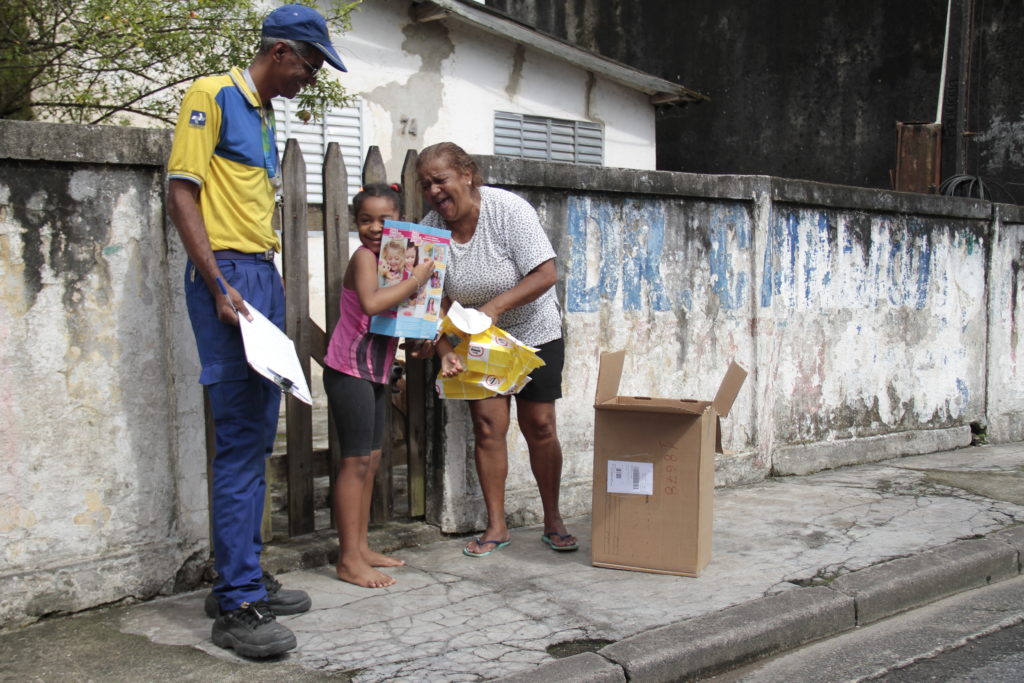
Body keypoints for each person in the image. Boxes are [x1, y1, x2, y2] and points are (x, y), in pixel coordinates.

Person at [166, 4, 346, 658]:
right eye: (312, 63)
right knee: (241, 439)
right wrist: (218, 284)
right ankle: (238, 604)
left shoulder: (264, 114)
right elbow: (181, 192)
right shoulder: (211, 95)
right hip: (231, 278)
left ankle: (239, 577)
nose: (313, 77)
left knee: (255, 433)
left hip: (259, 276)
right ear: (281, 52)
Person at [415, 142, 578, 558]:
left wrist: (490, 310)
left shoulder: (508, 211)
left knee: (540, 426)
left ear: (467, 174)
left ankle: (553, 519)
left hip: (533, 331)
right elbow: (432, 296)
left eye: (440, 180)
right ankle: (496, 525)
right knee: (488, 428)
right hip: (477, 341)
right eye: (425, 184)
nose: (433, 191)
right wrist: (448, 340)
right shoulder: (429, 230)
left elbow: (545, 273)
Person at [323, 184, 434, 587]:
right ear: (355, 224)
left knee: (369, 462)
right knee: (354, 463)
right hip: (349, 370)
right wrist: (419, 277)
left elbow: (401, 314)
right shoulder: (364, 259)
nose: (373, 228)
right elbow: (372, 304)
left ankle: (361, 547)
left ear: (398, 223)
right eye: (365, 220)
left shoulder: (393, 263)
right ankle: (347, 559)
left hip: (375, 371)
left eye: (383, 220)